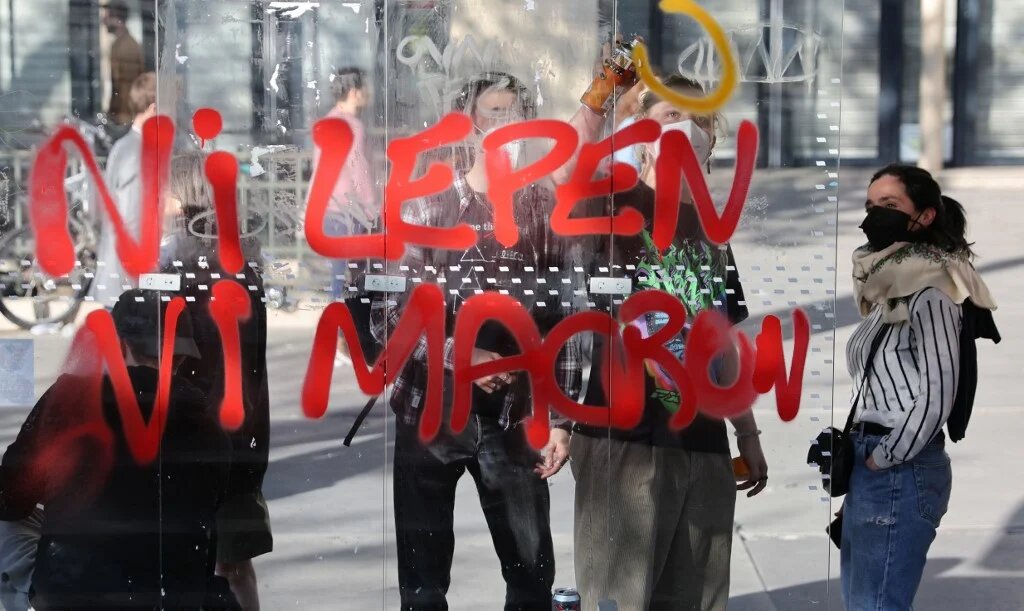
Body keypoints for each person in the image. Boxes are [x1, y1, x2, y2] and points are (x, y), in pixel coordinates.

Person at [370, 71, 580, 610]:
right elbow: (388, 317)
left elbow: (563, 320)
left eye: (516, 114)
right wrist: (462, 354)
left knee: (531, 578)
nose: (506, 126)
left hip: (514, 418)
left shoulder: (542, 213)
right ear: (468, 126)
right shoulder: (425, 208)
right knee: (422, 586)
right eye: (494, 113)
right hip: (430, 413)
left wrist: (560, 418)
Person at [568, 75, 768, 611]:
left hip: (701, 443)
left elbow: (722, 340)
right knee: (619, 597)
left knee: (697, 597)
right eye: (670, 116)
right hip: (624, 441)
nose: (685, 128)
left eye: (696, 118)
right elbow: (566, 169)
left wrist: (746, 432)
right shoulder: (611, 205)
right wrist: (606, 102)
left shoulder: (710, 231)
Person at [0, 289, 238, 609]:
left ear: (119, 347)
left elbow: (10, 499)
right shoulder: (209, 428)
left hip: (75, 595)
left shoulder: (70, 401)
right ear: (181, 357)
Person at [841, 164, 998, 610]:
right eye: (871, 205)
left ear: (925, 215)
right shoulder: (890, 289)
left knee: (876, 605)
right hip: (872, 464)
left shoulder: (932, 290)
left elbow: (938, 389)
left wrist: (884, 457)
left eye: (890, 205)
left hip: (898, 467)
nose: (875, 214)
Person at [161, 151, 273, 611]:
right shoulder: (230, 261)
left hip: (211, 433)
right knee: (231, 562)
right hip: (233, 433)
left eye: (167, 191)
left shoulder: (195, 268)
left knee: (221, 560)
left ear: (186, 196)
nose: (160, 200)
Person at [312, 66, 376, 364]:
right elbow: (360, 174)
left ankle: (335, 340)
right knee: (355, 279)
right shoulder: (353, 127)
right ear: (354, 91)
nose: (369, 93)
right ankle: (342, 341)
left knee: (338, 277)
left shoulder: (326, 122)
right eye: (365, 88)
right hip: (351, 212)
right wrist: (373, 209)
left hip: (329, 210)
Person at [91, 70, 157, 308]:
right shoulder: (136, 153)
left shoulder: (127, 146)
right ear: (154, 108)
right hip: (127, 281)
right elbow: (132, 218)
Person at [103, 0, 145, 127]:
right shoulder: (118, 44)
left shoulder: (127, 47)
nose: (104, 21)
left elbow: (127, 90)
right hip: (121, 117)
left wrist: (122, 120)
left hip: (126, 118)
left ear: (118, 20)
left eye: (108, 16)